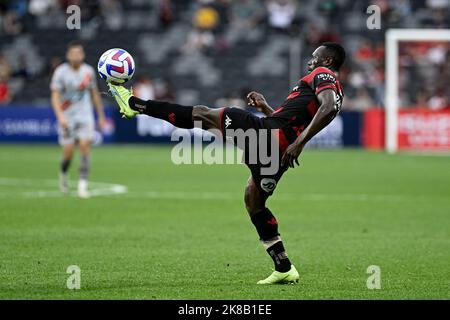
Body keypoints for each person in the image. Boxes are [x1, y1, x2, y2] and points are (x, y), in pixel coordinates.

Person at [108, 42, 345, 284]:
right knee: (254, 201)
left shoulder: (323, 75)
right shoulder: (331, 90)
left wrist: (301, 144)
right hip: (277, 151)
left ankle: (136, 104)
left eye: (315, 57)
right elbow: (291, 123)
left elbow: (326, 108)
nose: (310, 61)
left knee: (201, 114)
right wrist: (266, 108)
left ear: (327, 62)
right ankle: (284, 267)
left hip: (268, 139)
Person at [50, 41, 106, 198]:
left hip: (85, 115)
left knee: (84, 147)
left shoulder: (88, 71)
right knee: (68, 153)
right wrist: (60, 116)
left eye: (79, 53)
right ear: (68, 55)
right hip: (67, 116)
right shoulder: (60, 72)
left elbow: (95, 94)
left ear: (83, 55)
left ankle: (82, 186)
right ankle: (63, 173)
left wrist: (100, 116)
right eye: (73, 53)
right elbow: (54, 96)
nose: (76, 56)